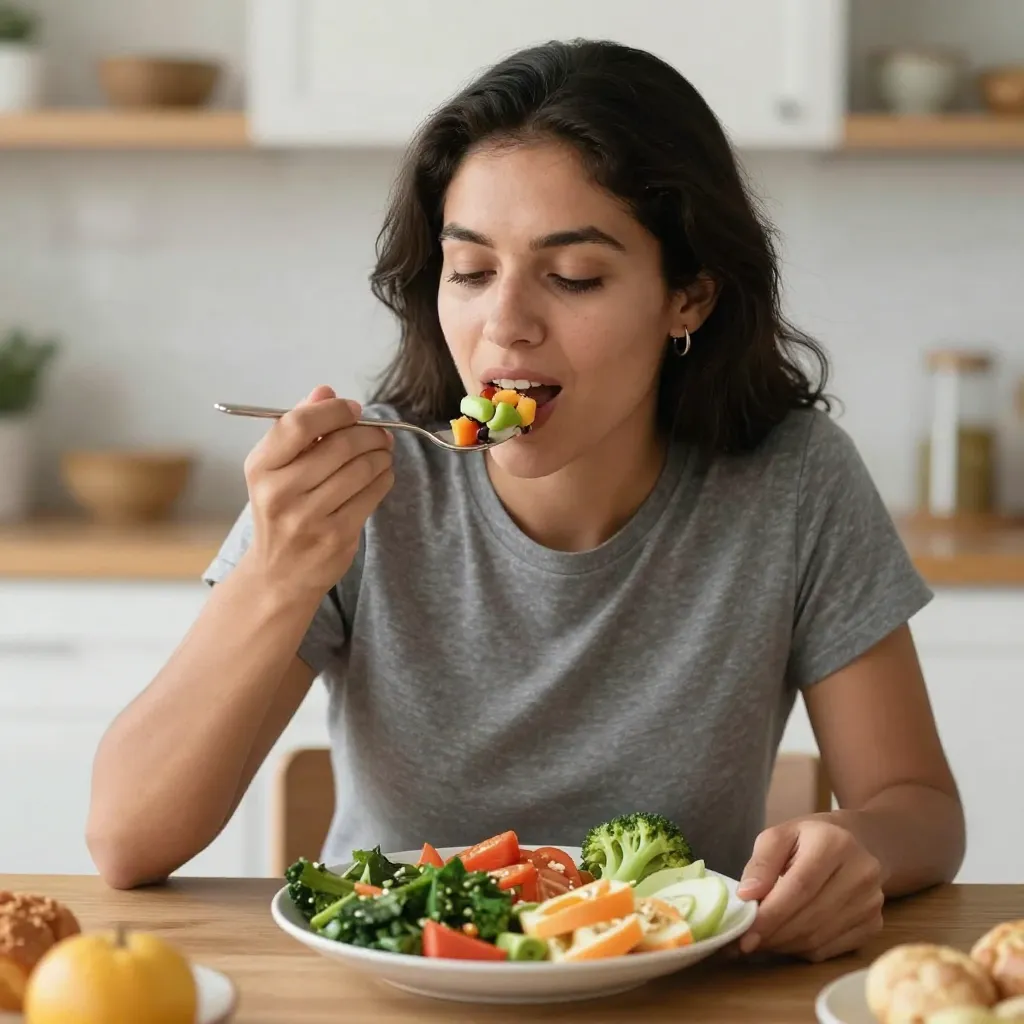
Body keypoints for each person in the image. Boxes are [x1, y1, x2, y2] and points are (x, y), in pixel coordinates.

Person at [86, 38, 965, 963]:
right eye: (469, 273)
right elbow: (126, 839)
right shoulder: (367, 480)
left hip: (677, 993)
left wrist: (853, 847)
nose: (504, 324)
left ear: (689, 299)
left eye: (573, 276)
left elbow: (922, 809)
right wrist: (275, 575)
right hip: (398, 985)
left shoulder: (793, 480)